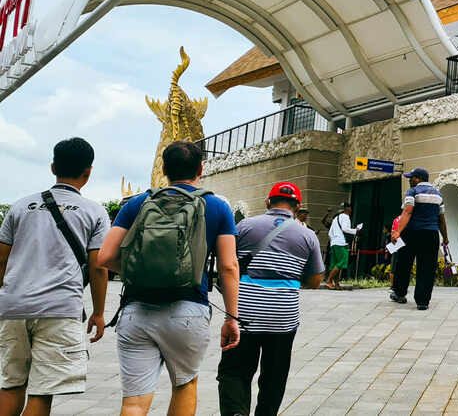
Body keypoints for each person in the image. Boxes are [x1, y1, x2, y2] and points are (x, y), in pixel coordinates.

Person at [98, 140, 241, 416]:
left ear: (163, 168)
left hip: (137, 311)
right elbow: (229, 267)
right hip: (188, 311)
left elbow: (103, 258)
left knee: (134, 402)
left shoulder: (138, 203)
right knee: (185, 385)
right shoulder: (217, 207)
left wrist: (138, 272)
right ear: (201, 169)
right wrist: (231, 317)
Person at [0, 138, 110, 416]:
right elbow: (98, 267)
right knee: (42, 391)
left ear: (52, 167)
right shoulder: (94, 211)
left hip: (12, 308)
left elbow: (1, 258)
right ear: (88, 172)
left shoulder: (20, 206)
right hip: (59, 309)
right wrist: (98, 312)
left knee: (10, 385)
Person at [217, 182, 324, 416]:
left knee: (235, 371)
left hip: (244, 312)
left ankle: (236, 411)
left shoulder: (245, 226)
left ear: (268, 202)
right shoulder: (307, 235)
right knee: (274, 375)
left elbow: (228, 265)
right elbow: (315, 280)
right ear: (297, 207)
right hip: (283, 316)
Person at [389, 168, 449, 310]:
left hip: (412, 233)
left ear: (419, 178)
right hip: (431, 235)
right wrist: (445, 238)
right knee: (427, 268)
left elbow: (407, 211)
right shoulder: (439, 195)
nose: (409, 180)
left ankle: (400, 294)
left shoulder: (413, 192)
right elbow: (441, 220)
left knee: (404, 264)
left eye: (411, 177)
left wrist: (397, 232)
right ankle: (423, 302)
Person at [324, 204, 360, 290]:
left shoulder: (336, 218)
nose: (351, 209)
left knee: (336, 264)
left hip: (334, 243)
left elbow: (330, 233)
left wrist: (334, 240)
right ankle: (329, 280)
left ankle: (336, 284)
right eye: (350, 208)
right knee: (342, 262)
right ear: (347, 209)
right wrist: (355, 230)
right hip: (341, 243)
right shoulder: (346, 217)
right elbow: (345, 229)